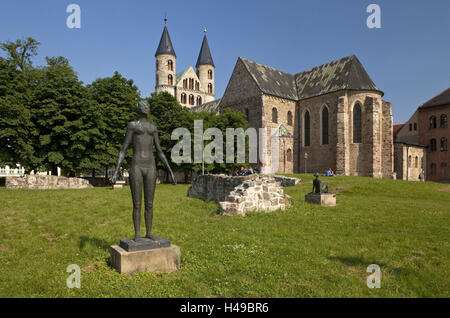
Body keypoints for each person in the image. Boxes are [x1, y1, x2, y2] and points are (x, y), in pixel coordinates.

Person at [111, 101, 176, 242]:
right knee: (137, 203)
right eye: (144, 106)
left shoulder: (153, 128)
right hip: (137, 166)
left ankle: (149, 232)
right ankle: (137, 234)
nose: (147, 107)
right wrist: (116, 171)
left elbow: (160, 151)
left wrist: (170, 171)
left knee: (150, 203)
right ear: (138, 109)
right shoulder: (133, 126)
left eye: (148, 105)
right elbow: (123, 149)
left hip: (150, 166)